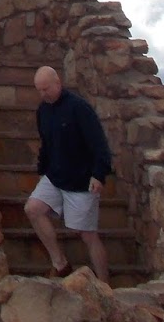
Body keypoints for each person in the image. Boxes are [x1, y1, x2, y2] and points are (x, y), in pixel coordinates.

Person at [25, 64, 112, 283]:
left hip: (81, 180)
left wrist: (99, 174)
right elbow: (46, 144)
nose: (43, 94)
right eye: (39, 90)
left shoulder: (79, 108)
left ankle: (104, 284)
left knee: (87, 235)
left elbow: (99, 143)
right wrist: (42, 170)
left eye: (46, 89)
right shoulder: (43, 110)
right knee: (33, 209)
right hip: (55, 176)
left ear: (58, 83)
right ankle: (60, 263)